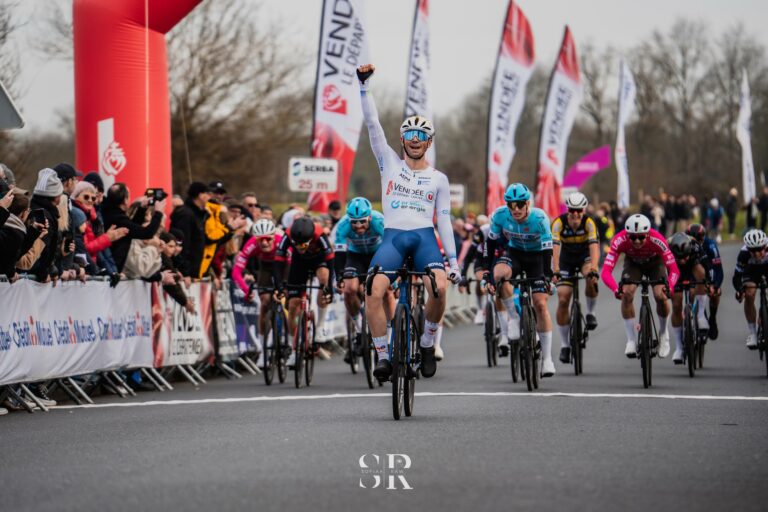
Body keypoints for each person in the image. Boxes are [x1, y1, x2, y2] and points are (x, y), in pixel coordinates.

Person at [356, 63, 460, 381]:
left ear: (429, 142)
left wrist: (453, 261)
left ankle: (427, 342)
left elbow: (444, 221)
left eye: (421, 136)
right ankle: (383, 356)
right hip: (393, 239)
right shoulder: (388, 162)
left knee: (438, 287)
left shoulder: (438, 179)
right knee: (373, 291)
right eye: (410, 135)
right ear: (402, 140)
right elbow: (372, 124)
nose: (415, 140)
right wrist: (364, 87)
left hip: (424, 238)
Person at [482, 183, 556, 377]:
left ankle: (547, 360)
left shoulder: (539, 218)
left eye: (520, 204)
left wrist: (548, 276)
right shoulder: (500, 216)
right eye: (511, 205)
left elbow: (548, 250)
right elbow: (490, 244)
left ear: (528, 203)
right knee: (499, 274)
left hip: (537, 258)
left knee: (540, 304)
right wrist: (487, 273)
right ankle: (514, 318)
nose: (515, 209)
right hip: (515, 254)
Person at [601, 214, 679, 358]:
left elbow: (674, 270)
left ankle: (663, 334)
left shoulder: (658, 239)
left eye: (641, 237)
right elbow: (605, 272)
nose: (637, 241)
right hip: (633, 263)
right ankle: (631, 340)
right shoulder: (619, 240)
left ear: (647, 234)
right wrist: (615, 289)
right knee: (627, 292)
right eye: (633, 237)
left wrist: (671, 286)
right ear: (627, 235)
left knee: (660, 295)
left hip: (655, 263)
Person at [274, 216, 334, 366]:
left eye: (304, 244)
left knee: (324, 277)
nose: (300, 247)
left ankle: (319, 327)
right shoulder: (288, 235)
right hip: (299, 263)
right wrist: (279, 286)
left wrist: (329, 288)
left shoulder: (319, 234)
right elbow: (278, 261)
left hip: (318, 260)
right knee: (293, 305)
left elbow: (331, 261)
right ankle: (292, 347)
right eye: (297, 245)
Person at [332, 197, 386, 363]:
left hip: (377, 254)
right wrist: (340, 276)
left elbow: (390, 247)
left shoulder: (379, 221)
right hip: (355, 256)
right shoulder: (343, 225)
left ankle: (388, 333)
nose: (358, 226)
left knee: (384, 290)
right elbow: (339, 254)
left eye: (362, 221)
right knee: (349, 289)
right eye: (354, 222)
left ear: (369, 217)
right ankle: (359, 329)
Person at [551, 192, 600, 365]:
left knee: (591, 278)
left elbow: (594, 247)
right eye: (572, 210)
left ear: (584, 210)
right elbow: (555, 248)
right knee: (563, 298)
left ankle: (591, 313)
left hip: (584, 257)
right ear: (568, 210)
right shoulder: (558, 223)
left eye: (579, 210)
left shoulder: (589, 222)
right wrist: (556, 269)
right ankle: (565, 345)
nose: (576, 214)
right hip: (565, 260)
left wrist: (594, 268)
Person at [232, 219, 283, 365]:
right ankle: (263, 351)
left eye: (268, 239)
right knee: (265, 303)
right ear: (255, 238)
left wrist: (284, 288)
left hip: (284, 264)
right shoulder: (251, 244)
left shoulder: (282, 241)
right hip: (265, 266)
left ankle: (290, 340)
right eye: (261, 240)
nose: (265, 243)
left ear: (274, 236)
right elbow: (236, 272)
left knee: (289, 299)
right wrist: (246, 291)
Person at [101, 183, 165, 273]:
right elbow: (147, 233)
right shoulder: (118, 218)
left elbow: (132, 227)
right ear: (125, 200)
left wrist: (142, 209)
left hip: (111, 265)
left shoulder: (111, 213)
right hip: (112, 267)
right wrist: (158, 213)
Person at [667, 233, 710, 364]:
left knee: (698, 279)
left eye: (685, 257)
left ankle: (700, 315)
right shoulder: (667, 248)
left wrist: (709, 283)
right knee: (676, 304)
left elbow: (706, 267)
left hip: (692, 269)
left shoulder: (695, 246)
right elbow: (662, 269)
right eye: (679, 258)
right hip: (675, 271)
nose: (683, 260)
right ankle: (679, 348)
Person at [686, 223, 723, 339]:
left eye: (700, 239)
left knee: (715, 293)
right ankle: (692, 318)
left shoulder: (711, 245)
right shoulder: (685, 244)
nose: (698, 242)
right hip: (693, 271)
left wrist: (715, 285)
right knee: (692, 292)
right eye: (694, 240)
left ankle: (712, 318)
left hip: (709, 270)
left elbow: (718, 269)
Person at [733, 229, 768, 350]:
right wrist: (739, 290)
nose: (757, 254)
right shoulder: (743, 254)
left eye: (759, 249)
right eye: (753, 250)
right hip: (751, 271)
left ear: (765, 246)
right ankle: (753, 333)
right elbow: (737, 276)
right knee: (749, 293)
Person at [29, 168, 64, 282]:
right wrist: (43, 272)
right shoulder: (45, 216)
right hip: (33, 277)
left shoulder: (36, 209)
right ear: (55, 196)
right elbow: (44, 247)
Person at [170, 182, 210, 278]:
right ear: (200, 195)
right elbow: (183, 243)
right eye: (207, 193)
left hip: (194, 269)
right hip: (186, 272)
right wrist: (185, 271)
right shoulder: (186, 214)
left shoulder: (198, 214)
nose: (209, 197)